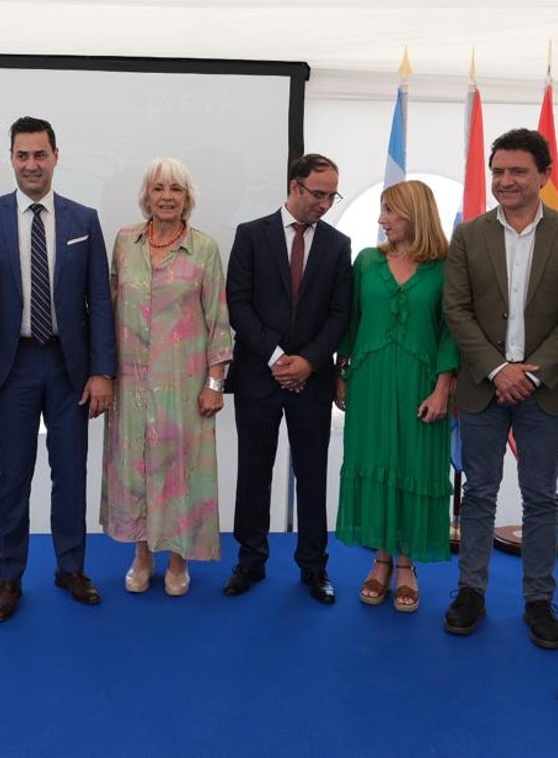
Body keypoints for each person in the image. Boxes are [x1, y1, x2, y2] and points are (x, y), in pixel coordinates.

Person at [442, 128, 558, 649]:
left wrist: (530, 371)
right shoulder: (468, 233)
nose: (505, 181)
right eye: (498, 171)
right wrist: (496, 369)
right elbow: (455, 309)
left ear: (544, 176)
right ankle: (471, 592)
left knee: (541, 497)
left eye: (517, 171)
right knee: (478, 493)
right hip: (483, 388)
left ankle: (538, 600)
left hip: (544, 390)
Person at [0, 116, 116, 622]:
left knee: (70, 472)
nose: (31, 164)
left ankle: (70, 568)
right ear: (11, 158)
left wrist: (103, 372)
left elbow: (99, 298)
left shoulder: (83, 219)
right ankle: (7, 577)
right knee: (13, 476)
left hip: (69, 366)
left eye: (40, 155)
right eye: (22, 155)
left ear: (56, 156)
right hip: (11, 366)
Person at [224, 153, 351, 604]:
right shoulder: (251, 235)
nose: (326, 203)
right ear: (295, 187)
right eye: (319, 194)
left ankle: (314, 567)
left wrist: (309, 362)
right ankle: (250, 560)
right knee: (254, 470)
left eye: (332, 195)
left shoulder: (339, 245)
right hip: (260, 375)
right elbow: (238, 303)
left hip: (311, 380)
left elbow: (340, 314)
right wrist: (279, 357)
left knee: (312, 474)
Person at [101, 158, 232, 597]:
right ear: (147, 196)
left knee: (178, 475)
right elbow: (107, 308)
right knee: (136, 471)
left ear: (187, 197)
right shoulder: (124, 243)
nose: (166, 197)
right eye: (158, 188)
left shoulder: (205, 248)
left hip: (184, 387)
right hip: (130, 386)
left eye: (175, 189)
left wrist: (215, 385)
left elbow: (219, 321)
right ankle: (141, 557)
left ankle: (178, 561)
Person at [334, 180, 457, 613]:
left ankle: (407, 565)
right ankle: (381, 560)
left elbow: (450, 332)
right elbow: (350, 320)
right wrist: (341, 371)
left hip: (420, 382)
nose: (382, 219)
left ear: (415, 215)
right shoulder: (367, 261)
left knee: (414, 463)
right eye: (382, 211)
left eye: (390, 211)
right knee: (377, 461)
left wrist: (443, 387)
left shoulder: (445, 267)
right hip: (370, 378)